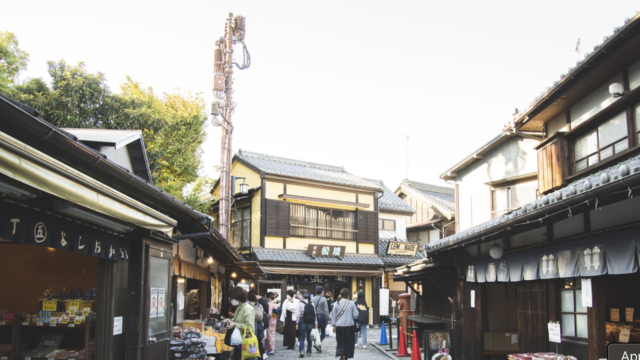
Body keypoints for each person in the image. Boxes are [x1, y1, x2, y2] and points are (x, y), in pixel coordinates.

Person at [223, 286, 255, 360]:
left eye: (232, 298)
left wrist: (235, 324)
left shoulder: (247, 309)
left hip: (244, 343)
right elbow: (235, 320)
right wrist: (229, 321)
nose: (231, 300)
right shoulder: (239, 308)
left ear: (238, 297)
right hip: (238, 341)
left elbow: (250, 328)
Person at [332, 288, 359, 360]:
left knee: (340, 341)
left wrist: (333, 326)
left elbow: (334, 316)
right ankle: (346, 355)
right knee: (349, 342)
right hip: (349, 325)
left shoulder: (336, 303)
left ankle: (342, 354)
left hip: (339, 325)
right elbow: (356, 315)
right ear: (348, 294)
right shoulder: (351, 303)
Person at [295, 289, 317, 357]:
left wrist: (297, 323)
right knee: (309, 337)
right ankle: (309, 351)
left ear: (302, 295)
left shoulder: (300, 303)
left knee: (302, 337)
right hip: (311, 322)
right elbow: (314, 313)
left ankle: (301, 351)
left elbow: (298, 314)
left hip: (302, 321)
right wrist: (316, 322)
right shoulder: (311, 303)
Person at [248, 292, 266, 359]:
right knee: (258, 342)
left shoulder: (250, 306)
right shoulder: (259, 305)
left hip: (257, 327)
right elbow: (261, 317)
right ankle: (258, 356)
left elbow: (261, 317)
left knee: (257, 343)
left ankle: (257, 356)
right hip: (259, 327)